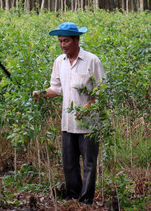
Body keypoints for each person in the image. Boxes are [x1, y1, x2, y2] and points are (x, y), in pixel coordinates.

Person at [33, 22, 106, 205]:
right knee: (69, 164)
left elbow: (102, 93)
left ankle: (86, 202)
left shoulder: (92, 61)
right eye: (60, 41)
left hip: (88, 125)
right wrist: (40, 93)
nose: (62, 45)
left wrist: (87, 108)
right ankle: (73, 199)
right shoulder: (59, 62)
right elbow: (56, 89)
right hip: (68, 123)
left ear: (77, 40)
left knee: (89, 164)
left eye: (66, 41)